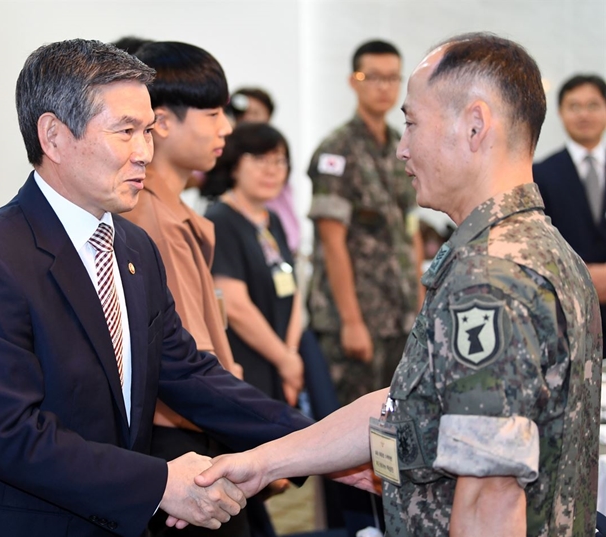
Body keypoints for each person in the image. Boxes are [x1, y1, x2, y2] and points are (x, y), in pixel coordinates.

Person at [196, 32, 602, 537]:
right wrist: (265, 462)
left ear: (474, 126)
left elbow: (489, 499)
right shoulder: (537, 244)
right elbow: (405, 402)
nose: (402, 149)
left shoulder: (491, 276)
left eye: (412, 124)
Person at [0, 38, 313, 537]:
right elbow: (12, 437)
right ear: (54, 136)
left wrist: (316, 444)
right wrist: (161, 483)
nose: (144, 153)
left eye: (148, 131)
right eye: (125, 131)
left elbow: (187, 372)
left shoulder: (131, 247)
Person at [123, 40, 251, 537]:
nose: (226, 128)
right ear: (164, 122)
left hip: (198, 421)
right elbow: (187, 355)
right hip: (181, 434)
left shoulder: (172, 211)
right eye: (214, 112)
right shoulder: (150, 218)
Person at [307, 39, 422, 408]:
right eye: (372, 76)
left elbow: (411, 228)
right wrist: (351, 321)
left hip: (399, 315)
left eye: (392, 78)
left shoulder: (402, 144)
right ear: (353, 81)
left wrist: (419, 301)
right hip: (355, 321)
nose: (383, 86)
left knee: (397, 423)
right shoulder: (336, 150)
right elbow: (331, 241)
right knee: (351, 434)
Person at [205, 122, 303, 406]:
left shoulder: (274, 221)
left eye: (279, 161)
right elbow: (235, 307)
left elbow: (292, 290)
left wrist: (292, 352)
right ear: (234, 165)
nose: (272, 170)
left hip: (283, 357)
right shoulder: (220, 220)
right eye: (260, 160)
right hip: (246, 361)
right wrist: (285, 359)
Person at [533, 74, 606, 356]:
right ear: (561, 112)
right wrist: (583, 277)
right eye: (574, 106)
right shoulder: (540, 173)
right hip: (565, 316)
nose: (583, 114)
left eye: (593, 105)